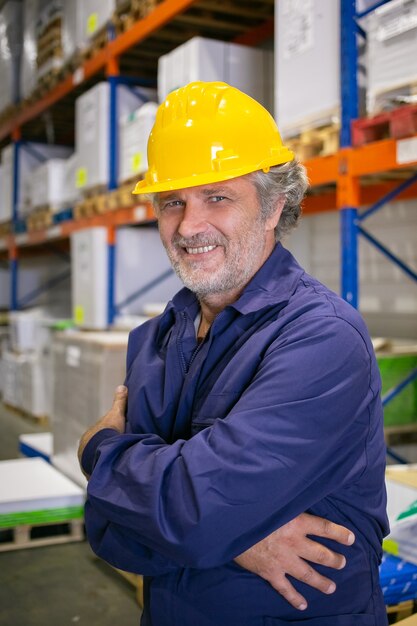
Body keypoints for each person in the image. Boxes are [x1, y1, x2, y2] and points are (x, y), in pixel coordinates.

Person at [78, 81, 389, 625]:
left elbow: (188, 515)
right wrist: (240, 535)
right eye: (173, 202)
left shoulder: (322, 338)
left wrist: (97, 451)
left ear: (274, 207)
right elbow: (108, 531)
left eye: (217, 197)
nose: (190, 226)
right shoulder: (154, 339)